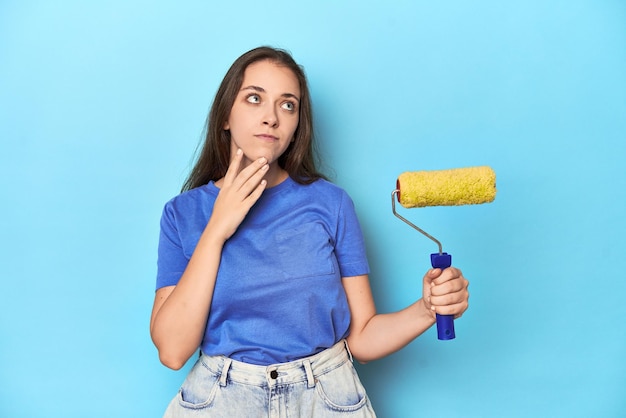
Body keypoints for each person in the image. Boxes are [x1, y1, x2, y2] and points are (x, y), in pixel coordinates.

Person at [150, 46, 470, 417]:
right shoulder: (182, 214)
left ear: (297, 123)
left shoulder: (331, 203)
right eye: (254, 98)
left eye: (287, 105)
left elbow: (362, 338)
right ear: (225, 115)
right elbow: (172, 352)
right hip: (222, 402)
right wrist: (217, 228)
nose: (271, 117)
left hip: (325, 398)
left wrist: (428, 309)